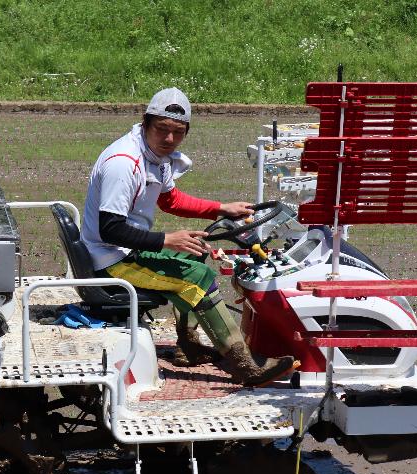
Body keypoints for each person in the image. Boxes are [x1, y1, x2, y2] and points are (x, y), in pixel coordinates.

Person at [81, 87, 295, 386]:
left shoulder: (155, 156)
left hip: (125, 249)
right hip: (112, 259)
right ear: (145, 123)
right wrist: (167, 240)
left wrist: (221, 208)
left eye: (177, 133)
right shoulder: (124, 163)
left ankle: (188, 346)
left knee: (194, 251)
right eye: (162, 130)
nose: (169, 139)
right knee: (199, 276)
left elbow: (170, 200)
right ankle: (246, 366)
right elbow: (110, 229)